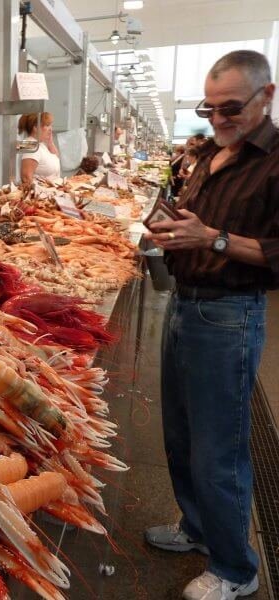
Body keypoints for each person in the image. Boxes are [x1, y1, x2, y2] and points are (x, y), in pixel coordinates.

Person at [144, 50, 278, 600]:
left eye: (231, 108)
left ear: (266, 97)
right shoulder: (207, 154)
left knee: (219, 447)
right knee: (179, 434)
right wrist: (167, 230)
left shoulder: (273, 163)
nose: (219, 119)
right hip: (185, 306)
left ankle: (236, 569)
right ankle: (197, 529)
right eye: (209, 108)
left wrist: (214, 239)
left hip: (229, 316)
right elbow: (190, 219)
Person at [18, 112, 61, 187]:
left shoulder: (40, 144)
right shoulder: (30, 144)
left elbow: (55, 157)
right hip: (41, 195)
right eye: (47, 125)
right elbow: (26, 178)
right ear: (36, 127)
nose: (51, 129)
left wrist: (50, 142)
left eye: (51, 125)